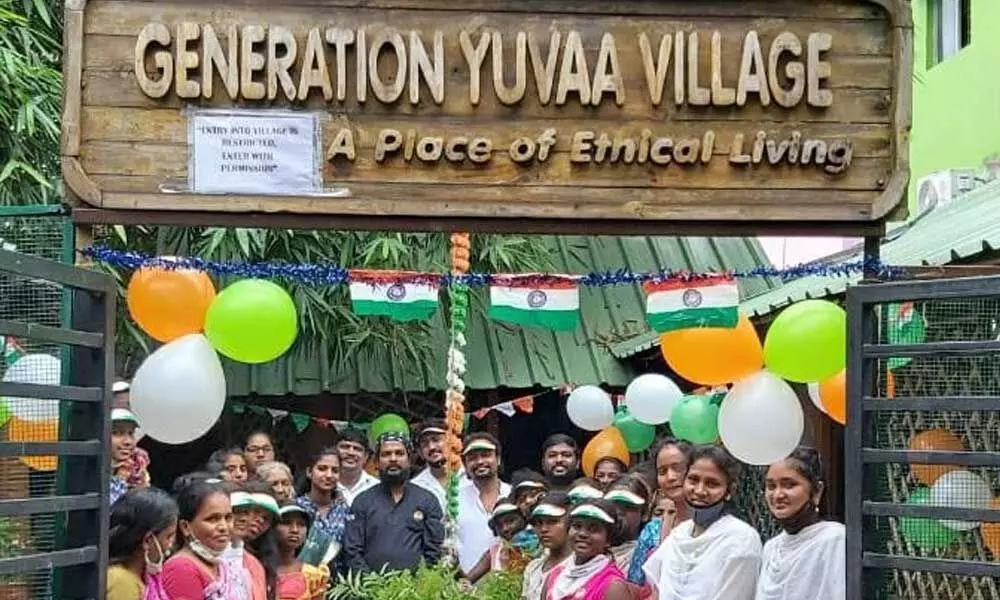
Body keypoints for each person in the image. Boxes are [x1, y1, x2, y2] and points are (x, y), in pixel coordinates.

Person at [642, 445, 762, 600]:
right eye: (693, 480)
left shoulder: (740, 539)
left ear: (729, 491)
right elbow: (656, 590)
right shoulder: (680, 534)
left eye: (712, 484)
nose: (699, 491)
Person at [343, 432, 444, 572]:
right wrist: (370, 585)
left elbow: (434, 551)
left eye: (399, 453)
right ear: (377, 462)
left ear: (409, 460)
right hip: (370, 589)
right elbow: (352, 551)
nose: (393, 459)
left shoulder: (427, 499)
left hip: (416, 590)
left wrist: (420, 585)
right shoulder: (362, 501)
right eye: (386, 454)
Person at [755, 447, 845, 600]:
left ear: (817, 491)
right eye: (771, 486)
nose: (777, 495)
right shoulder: (771, 548)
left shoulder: (834, 540)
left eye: (789, 485)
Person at [161, 479, 244, 599]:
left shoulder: (221, 565)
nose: (224, 527)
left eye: (228, 518)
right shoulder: (181, 568)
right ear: (185, 527)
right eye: (212, 519)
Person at [628, 437, 692, 586]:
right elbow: (635, 583)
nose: (670, 477)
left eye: (677, 468)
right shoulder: (653, 530)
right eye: (662, 471)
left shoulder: (711, 527)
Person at [541, 500, 630, 600]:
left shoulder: (613, 586)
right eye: (577, 526)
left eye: (593, 529)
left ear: (608, 540)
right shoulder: (554, 576)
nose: (582, 534)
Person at [107, 488, 178, 600]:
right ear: (148, 540)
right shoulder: (122, 583)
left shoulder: (145, 578)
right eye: (168, 536)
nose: (171, 545)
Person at [456, 433, 512, 575]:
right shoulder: (453, 499)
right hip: (465, 589)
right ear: (465, 465)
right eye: (472, 458)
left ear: (498, 459)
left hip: (511, 584)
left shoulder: (514, 495)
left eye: (486, 455)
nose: (480, 461)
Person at [294, 448, 350, 563]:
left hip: (340, 578)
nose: (329, 475)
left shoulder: (345, 510)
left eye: (335, 470)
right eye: (322, 469)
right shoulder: (296, 508)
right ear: (309, 472)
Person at [464, 497, 535, 584]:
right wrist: (455, 567)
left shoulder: (542, 546)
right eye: (499, 525)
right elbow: (465, 581)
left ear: (523, 518)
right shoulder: (495, 552)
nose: (505, 529)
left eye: (511, 521)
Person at [272, 504, 330, 600]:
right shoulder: (257, 567)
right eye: (286, 523)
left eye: (301, 525)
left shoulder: (314, 574)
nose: (294, 530)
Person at [522, 492, 573, 600]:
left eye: (552, 522)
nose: (543, 529)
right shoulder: (533, 568)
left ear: (570, 523)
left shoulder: (581, 568)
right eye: (538, 523)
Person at [223, 489, 267, 600]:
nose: (243, 518)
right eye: (237, 511)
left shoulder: (254, 564)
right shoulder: (207, 558)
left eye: (247, 513)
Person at [604, 474, 650, 572]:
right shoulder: (589, 548)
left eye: (628, 507)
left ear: (644, 513)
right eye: (613, 505)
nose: (619, 512)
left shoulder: (648, 556)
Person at [110, 408, 150, 505]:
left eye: (131, 433)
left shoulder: (138, 467)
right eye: (116, 433)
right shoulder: (89, 469)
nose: (127, 441)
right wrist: (120, 479)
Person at [410, 420, 451, 512]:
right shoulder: (416, 487)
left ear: (452, 441)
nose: (431, 447)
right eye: (425, 444)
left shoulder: (471, 477)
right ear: (420, 452)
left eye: (436, 440)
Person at [336, 428, 379, 506]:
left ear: (366, 456)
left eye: (357, 449)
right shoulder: (324, 483)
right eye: (345, 447)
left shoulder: (377, 487)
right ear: (335, 451)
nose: (351, 453)